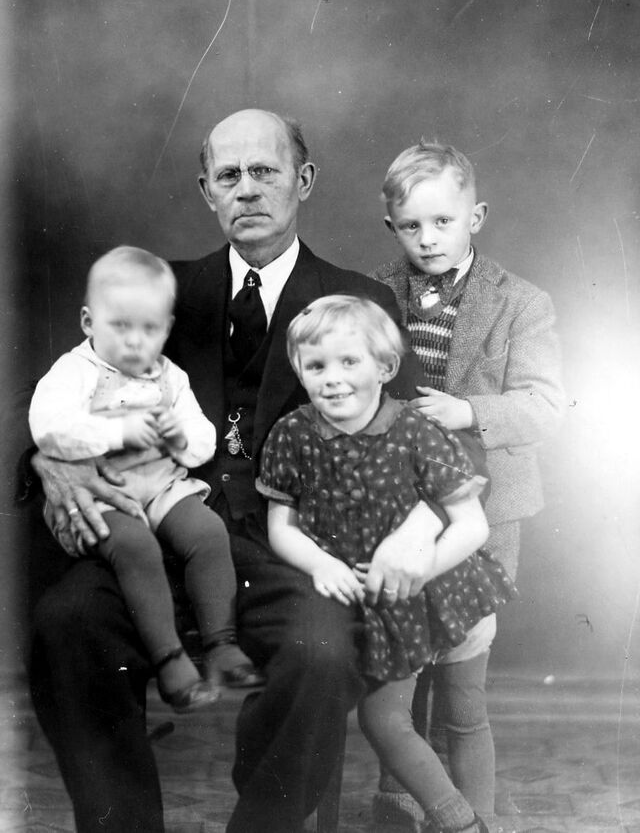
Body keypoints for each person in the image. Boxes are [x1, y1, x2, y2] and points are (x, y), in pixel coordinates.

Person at [24, 109, 451, 833]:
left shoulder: (356, 300)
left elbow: (419, 433)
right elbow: (52, 387)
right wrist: (44, 459)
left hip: (293, 547)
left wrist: (421, 525)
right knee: (66, 625)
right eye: (229, 176)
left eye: (264, 171)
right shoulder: (160, 292)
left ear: (303, 180)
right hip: (161, 531)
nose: (247, 189)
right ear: (207, 192)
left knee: (322, 653)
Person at [258, 294, 518, 833]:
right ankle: (462, 823)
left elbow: (472, 524)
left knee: (465, 717)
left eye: (349, 361)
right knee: (384, 719)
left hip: (451, 592)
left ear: (386, 368)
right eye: (316, 366)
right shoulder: (293, 435)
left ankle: (480, 822)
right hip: (389, 612)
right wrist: (321, 564)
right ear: (299, 372)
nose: (333, 379)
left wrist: (423, 567)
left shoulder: (417, 431)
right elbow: (281, 527)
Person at [370, 141, 565, 829]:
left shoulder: (522, 302)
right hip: (400, 504)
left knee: (462, 666)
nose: (427, 238)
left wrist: (470, 411)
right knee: (403, 656)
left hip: (485, 508)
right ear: (391, 225)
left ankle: (469, 810)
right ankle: (401, 802)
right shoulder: (374, 292)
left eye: (443, 222)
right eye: (411, 225)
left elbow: (546, 404)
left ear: (475, 218)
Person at [28, 245, 262, 713]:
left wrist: (180, 437)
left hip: (160, 485)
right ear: (89, 322)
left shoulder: (170, 377)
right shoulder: (75, 371)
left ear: (166, 329)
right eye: (120, 326)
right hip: (104, 493)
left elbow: (204, 440)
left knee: (207, 532)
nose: (136, 342)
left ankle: (221, 644)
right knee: (136, 547)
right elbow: (48, 428)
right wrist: (117, 432)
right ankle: (170, 660)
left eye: (149, 329)